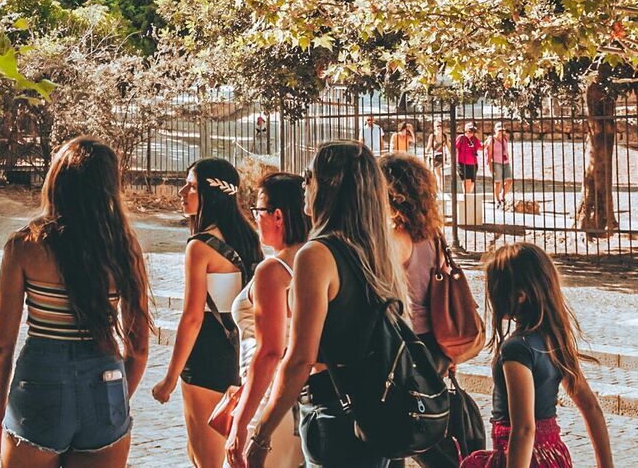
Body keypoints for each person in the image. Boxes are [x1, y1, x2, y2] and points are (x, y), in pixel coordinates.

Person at [0, 137, 150, 467]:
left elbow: (0, 344)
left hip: (40, 381)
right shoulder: (124, 248)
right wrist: (115, 401)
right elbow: (139, 348)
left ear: (57, 180)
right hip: (105, 378)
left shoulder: (24, 246)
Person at [246, 141, 408, 468]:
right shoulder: (377, 249)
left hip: (336, 412)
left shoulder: (317, 255)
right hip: (381, 409)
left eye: (309, 177)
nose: (303, 185)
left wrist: (261, 433)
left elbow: (300, 358)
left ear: (329, 186)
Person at [462, 243, 614, 468]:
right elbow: (591, 407)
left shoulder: (515, 349)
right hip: (553, 456)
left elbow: (523, 428)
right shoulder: (554, 339)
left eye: (494, 286)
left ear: (520, 295)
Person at [153, 159, 263, 468]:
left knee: (206, 459)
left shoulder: (200, 246)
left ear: (210, 194)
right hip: (240, 354)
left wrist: (169, 378)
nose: (182, 192)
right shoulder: (250, 238)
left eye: (191, 185)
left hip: (205, 360)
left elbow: (192, 317)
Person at [380, 153, 458, 468]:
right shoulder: (433, 234)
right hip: (436, 342)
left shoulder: (394, 238)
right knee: (426, 428)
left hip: (407, 348)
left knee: (404, 434)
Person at [226, 172, 308, 468]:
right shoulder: (318, 257)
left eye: (257, 210)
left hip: (269, 397)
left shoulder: (274, 270)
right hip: (300, 395)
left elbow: (269, 351)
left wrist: (241, 422)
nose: (255, 218)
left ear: (277, 216)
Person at [484, 123, 514, 207]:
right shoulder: (492, 139)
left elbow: (506, 150)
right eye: (499, 130)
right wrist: (490, 166)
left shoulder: (505, 138)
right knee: (498, 182)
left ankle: (502, 196)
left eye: (503, 130)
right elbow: (489, 154)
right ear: (495, 130)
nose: (501, 132)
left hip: (506, 162)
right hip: (496, 162)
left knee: (509, 181)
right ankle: (497, 200)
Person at [454, 123, 482, 194]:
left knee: (472, 182)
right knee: (467, 180)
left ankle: (467, 195)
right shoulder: (461, 138)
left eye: (472, 131)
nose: (470, 133)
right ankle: (466, 197)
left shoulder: (474, 139)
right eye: (468, 131)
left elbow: (480, 148)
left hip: (473, 163)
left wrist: (488, 141)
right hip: (463, 163)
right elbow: (456, 149)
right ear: (465, 130)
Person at [425, 122, 448, 191]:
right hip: (434, 156)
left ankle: (441, 189)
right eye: (437, 126)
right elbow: (428, 146)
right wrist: (426, 153)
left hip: (441, 156)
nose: (439, 127)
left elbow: (448, 145)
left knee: (440, 173)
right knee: (434, 172)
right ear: (434, 127)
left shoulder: (444, 136)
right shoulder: (432, 136)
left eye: (440, 125)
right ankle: (435, 189)